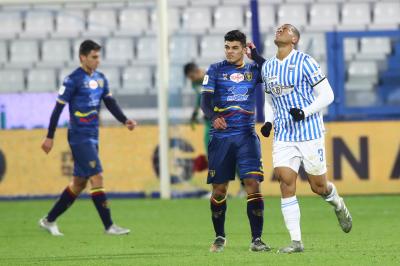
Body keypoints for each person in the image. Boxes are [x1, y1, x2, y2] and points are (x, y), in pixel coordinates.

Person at [248, 24, 352, 253]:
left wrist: (305, 111)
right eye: (278, 28)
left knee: (319, 187)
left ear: (294, 38)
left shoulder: (305, 61)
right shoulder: (268, 68)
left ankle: (337, 203)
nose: (279, 29)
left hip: (310, 133)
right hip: (284, 134)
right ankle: (296, 241)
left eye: (286, 29)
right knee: (285, 182)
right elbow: (269, 100)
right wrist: (268, 121)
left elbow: (328, 95)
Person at [39, 40, 137, 236]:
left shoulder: (101, 79)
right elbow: (57, 110)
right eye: (94, 57)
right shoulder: (72, 80)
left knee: (79, 183)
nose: (97, 61)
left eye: (98, 57)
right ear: (82, 57)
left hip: (93, 135)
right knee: (97, 176)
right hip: (78, 136)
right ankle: (109, 226)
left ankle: (49, 220)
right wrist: (49, 136)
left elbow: (110, 102)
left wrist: (124, 120)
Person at [201, 30, 270, 252]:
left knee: (252, 183)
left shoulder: (253, 70)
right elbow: (205, 101)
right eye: (227, 47)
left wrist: (257, 57)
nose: (230, 52)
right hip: (221, 138)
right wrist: (214, 117)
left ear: (243, 49)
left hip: (246, 136)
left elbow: (274, 72)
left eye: (235, 48)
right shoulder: (215, 70)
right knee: (220, 190)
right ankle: (220, 236)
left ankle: (256, 240)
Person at [183, 62, 211, 153]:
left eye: (192, 77)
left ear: (198, 71)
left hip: (223, 116)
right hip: (210, 119)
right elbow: (200, 97)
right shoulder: (195, 83)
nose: (191, 80)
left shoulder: (213, 76)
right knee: (208, 142)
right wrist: (194, 114)